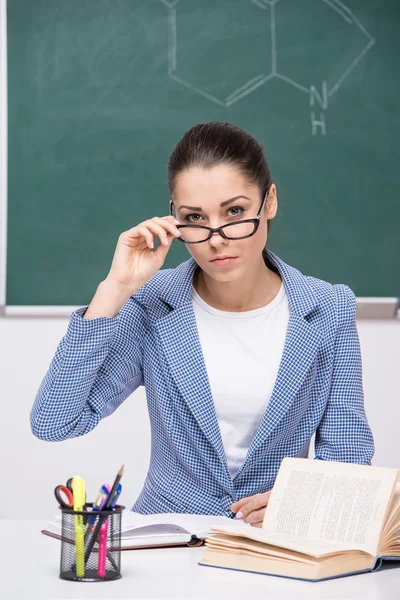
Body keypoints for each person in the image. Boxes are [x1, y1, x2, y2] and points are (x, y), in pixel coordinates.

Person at [30, 121, 374, 527]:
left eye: (235, 211)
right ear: (174, 219)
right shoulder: (153, 304)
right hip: (166, 549)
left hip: (271, 552)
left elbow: (348, 458)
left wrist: (299, 503)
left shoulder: (328, 309)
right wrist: (115, 288)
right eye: (195, 217)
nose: (216, 238)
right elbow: (54, 421)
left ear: (270, 202)